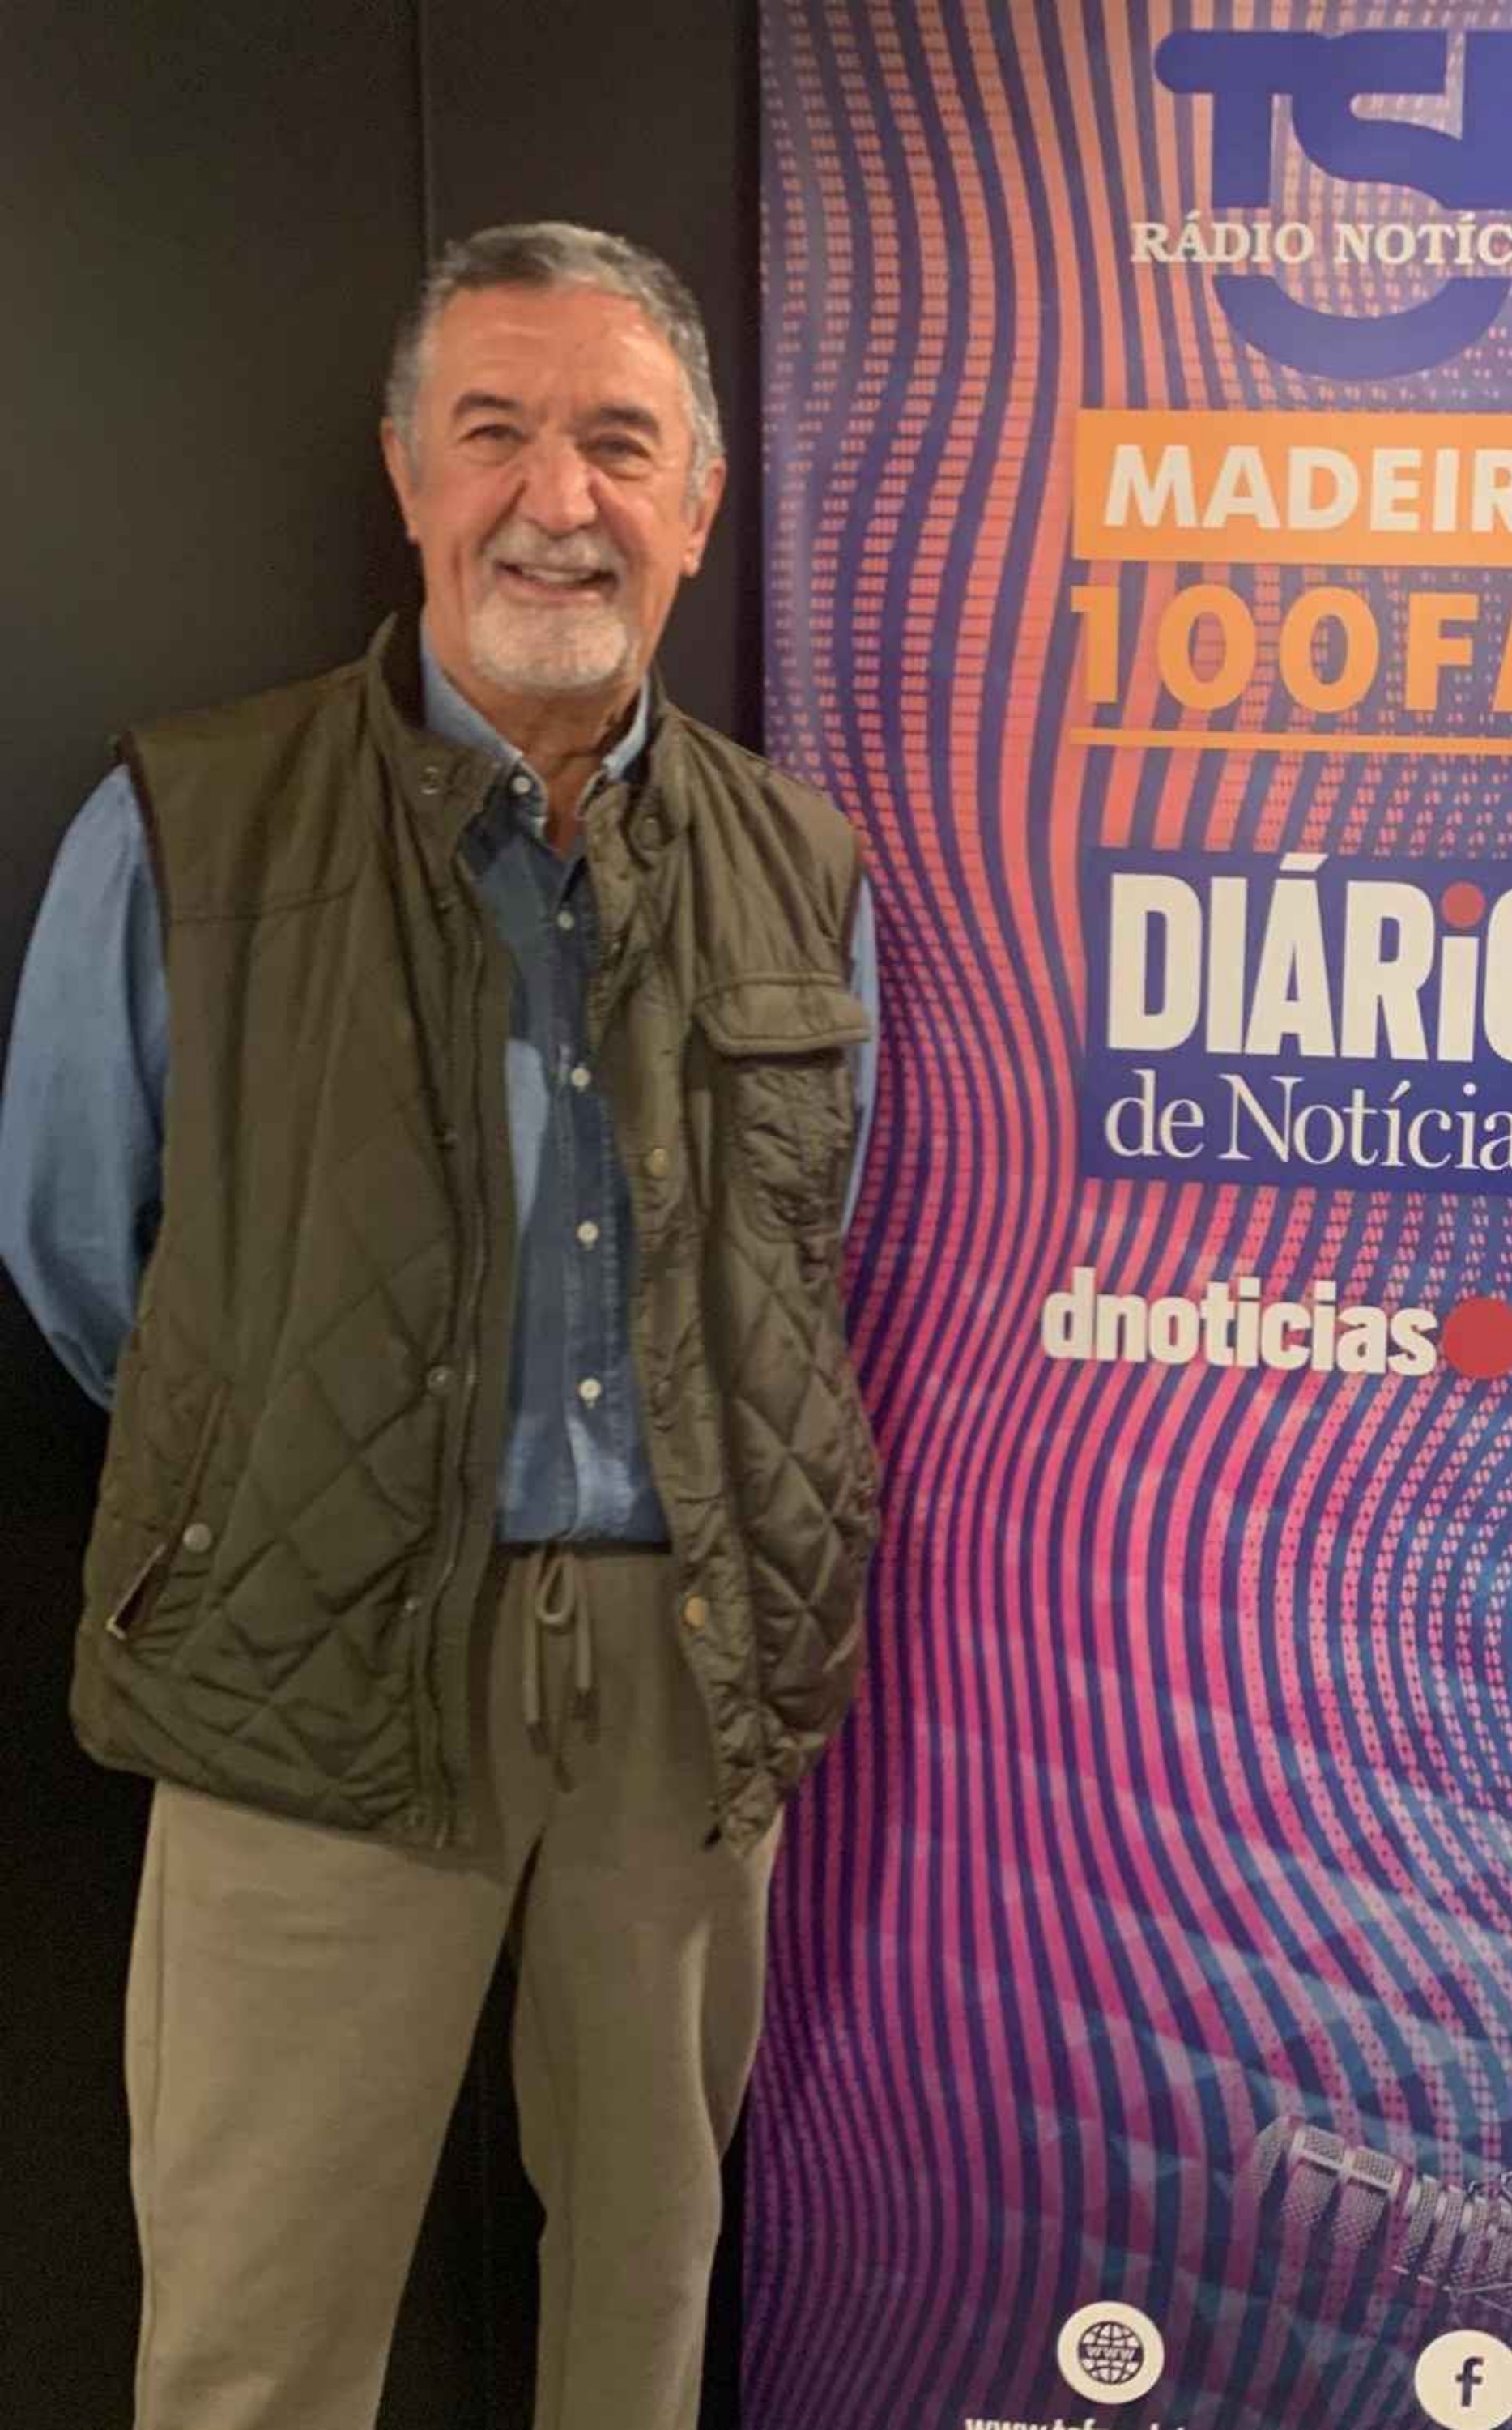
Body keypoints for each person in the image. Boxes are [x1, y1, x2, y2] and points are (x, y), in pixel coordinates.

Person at [0, 221, 880, 2430]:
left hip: (684, 1693)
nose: (555, 499)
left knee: (646, 2308)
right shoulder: (187, 828)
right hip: (308, 1669)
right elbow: (85, 1260)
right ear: (407, 475)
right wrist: (305, 1469)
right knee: (257, 2339)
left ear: (699, 505)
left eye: (620, 444)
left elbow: (802, 1251)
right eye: (495, 432)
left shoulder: (804, 866)